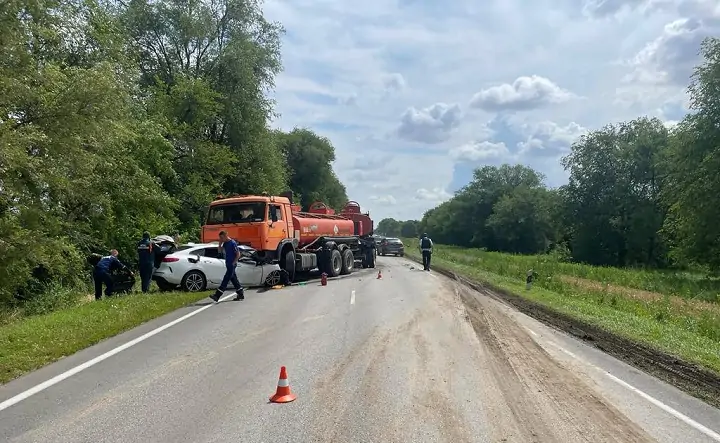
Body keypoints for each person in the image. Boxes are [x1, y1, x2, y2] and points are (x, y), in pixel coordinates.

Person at [210, 230, 245, 302]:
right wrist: (220, 244)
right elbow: (220, 251)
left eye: (222, 238)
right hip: (228, 264)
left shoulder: (232, 243)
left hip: (232, 265)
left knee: (226, 279)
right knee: (234, 279)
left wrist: (234, 262)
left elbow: (238, 254)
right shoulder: (225, 244)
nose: (221, 239)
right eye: (220, 238)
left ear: (226, 236)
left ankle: (217, 295)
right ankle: (240, 293)